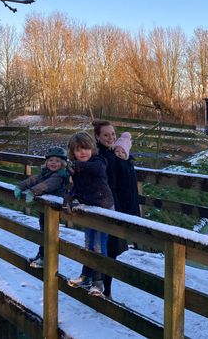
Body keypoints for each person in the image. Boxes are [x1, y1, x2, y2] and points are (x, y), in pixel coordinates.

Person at [92, 120, 140, 297]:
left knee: (112, 251)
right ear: (98, 136)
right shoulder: (104, 157)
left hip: (122, 209)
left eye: (113, 134)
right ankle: (104, 290)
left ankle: (103, 288)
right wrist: (117, 211)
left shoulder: (116, 153)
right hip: (112, 210)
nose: (111, 137)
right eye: (106, 135)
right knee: (109, 250)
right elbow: (110, 186)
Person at [66, 131, 115, 296]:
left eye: (86, 148)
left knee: (99, 245)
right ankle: (86, 276)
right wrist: (69, 199)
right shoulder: (77, 168)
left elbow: (99, 170)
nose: (82, 153)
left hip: (103, 209)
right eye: (78, 150)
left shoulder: (98, 161)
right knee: (89, 244)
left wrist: (78, 166)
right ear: (73, 152)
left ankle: (98, 282)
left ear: (92, 149)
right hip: (90, 210)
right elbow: (77, 188)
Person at [14, 146, 69, 268]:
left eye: (57, 161)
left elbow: (47, 185)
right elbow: (33, 179)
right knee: (43, 230)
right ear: (46, 162)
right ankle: (41, 254)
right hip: (45, 208)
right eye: (51, 160)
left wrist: (33, 191)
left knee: (49, 233)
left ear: (63, 163)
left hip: (54, 209)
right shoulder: (46, 173)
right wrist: (20, 187)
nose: (53, 163)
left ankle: (46, 258)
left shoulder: (59, 176)